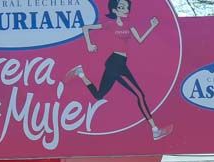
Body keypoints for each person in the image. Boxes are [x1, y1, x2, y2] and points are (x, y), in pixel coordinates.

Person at [65, 0, 172, 141]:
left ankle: (80, 73)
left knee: (98, 95)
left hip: (120, 63)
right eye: (121, 7)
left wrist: (152, 26)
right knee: (139, 94)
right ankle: (155, 130)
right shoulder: (110, 24)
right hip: (115, 63)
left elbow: (140, 39)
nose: (125, 9)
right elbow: (86, 28)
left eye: (127, 7)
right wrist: (89, 44)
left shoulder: (129, 25)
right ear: (115, 11)